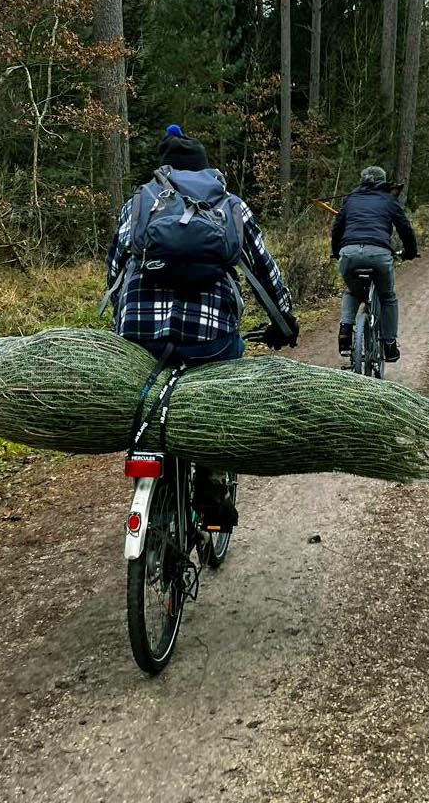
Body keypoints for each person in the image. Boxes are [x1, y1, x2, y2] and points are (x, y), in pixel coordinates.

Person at [106, 125, 298, 525]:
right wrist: (284, 319)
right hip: (208, 339)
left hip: (139, 332)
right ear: (205, 170)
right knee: (225, 383)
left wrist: (120, 324)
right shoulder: (229, 205)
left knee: (145, 391)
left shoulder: (139, 203)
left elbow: (115, 270)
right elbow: (264, 269)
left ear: (164, 171)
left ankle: (146, 460)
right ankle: (210, 475)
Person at [331, 165, 418, 363]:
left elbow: (337, 229)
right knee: (387, 297)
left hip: (349, 253)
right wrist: (410, 252)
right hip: (379, 254)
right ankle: (389, 345)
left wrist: (337, 253)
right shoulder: (389, 201)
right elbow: (405, 228)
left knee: (353, 292)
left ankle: (345, 331)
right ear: (383, 181)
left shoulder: (350, 199)